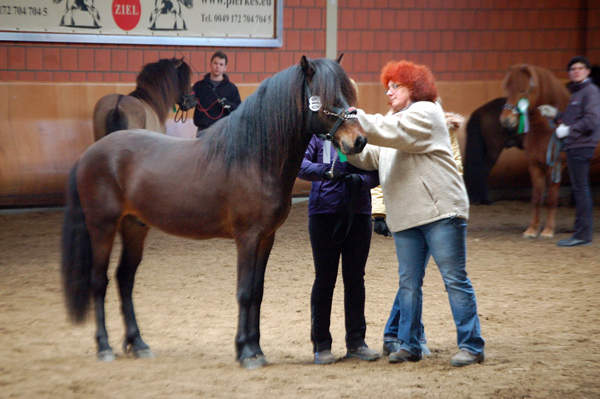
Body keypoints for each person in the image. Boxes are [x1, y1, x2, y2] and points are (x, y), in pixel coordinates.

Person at [348, 60, 485, 367]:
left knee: (454, 279)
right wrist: (343, 139)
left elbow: (391, 131)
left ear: (414, 87)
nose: (389, 92)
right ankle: (408, 344)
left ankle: (472, 345)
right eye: (387, 87)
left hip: (439, 212)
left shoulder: (427, 112)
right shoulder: (392, 121)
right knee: (409, 283)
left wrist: (356, 116)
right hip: (407, 216)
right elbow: (370, 156)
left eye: (395, 85)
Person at [298, 134, 381, 365]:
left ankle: (356, 342)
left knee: (356, 279)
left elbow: (378, 167)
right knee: (325, 279)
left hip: (359, 213)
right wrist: (326, 171)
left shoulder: (360, 136)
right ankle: (321, 345)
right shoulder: (315, 137)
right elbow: (300, 165)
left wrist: (361, 181)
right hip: (324, 213)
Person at [554, 56, 600, 247]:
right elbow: (572, 117)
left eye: (580, 68)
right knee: (579, 188)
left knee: (581, 189)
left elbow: (591, 120)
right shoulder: (576, 92)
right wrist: (555, 116)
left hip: (582, 144)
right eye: (573, 69)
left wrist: (569, 130)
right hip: (575, 144)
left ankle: (582, 234)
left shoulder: (590, 91)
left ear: (587, 71)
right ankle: (580, 232)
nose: (576, 71)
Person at [192, 51, 241, 136]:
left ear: (225, 68)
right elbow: (189, 101)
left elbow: (239, 109)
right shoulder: (199, 86)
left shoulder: (232, 88)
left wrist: (228, 105)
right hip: (203, 131)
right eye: (215, 63)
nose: (217, 66)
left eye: (221, 64)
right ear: (210, 64)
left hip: (223, 132)